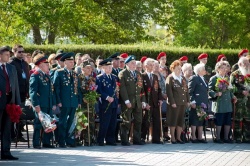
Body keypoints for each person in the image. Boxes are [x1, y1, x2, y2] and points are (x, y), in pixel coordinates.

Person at [53, 52, 82, 148]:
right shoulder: (59, 72)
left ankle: (69, 139)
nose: (72, 63)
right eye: (69, 62)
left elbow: (78, 89)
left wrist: (78, 101)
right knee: (62, 122)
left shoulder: (75, 74)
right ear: (64, 62)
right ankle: (61, 140)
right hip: (64, 102)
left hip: (73, 102)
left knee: (71, 122)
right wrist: (58, 101)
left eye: (72, 61)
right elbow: (56, 88)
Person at [29, 53, 56, 149]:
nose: (48, 65)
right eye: (46, 63)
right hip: (40, 104)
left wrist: (52, 103)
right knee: (38, 124)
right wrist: (36, 106)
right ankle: (36, 143)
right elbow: (33, 93)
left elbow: (50, 91)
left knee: (48, 123)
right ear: (40, 64)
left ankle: (46, 142)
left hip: (48, 103)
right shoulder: (35, 75)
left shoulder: (46, 75)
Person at [119, 55, 146, 146]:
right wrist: (126, 101)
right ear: (127, 64)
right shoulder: (123, 74)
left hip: (137, 101)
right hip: (128, 101)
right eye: (132, 63)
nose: (134, 65)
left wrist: (143, 101)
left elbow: (142, 89)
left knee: (138, 121)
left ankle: (137, 139)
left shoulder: (138, 74)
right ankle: (124, 140)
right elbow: (122, 88)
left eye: (135, 63)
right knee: (127, 121)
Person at [0, 46, 21, 160]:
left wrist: (17, 102)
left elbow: (16, 86)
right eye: (6, 55)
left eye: (9, 54)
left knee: (7, 129)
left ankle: (6, 152)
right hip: (0, 101)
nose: (9, 56)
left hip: (10, 101)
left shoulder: (11, 68)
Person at [209, 61, 236, 143]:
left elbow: (230, 90)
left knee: (228, 121)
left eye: (225, 68)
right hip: (219, 103)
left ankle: (226, 138)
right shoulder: (214, 78)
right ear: (218, 69)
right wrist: (216, 94)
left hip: (227, 103)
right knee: (219, 121)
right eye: (222, 68)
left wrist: (233, 96)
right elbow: (209, 90)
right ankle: (217, 138)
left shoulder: (227, 78)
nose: (225, 70)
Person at [166, 60, 190, 144]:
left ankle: (178, 137)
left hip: (182, 102)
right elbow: (169, 92)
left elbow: (186, 90)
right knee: (173, 120)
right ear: (173, 69)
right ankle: (172, 138)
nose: (179, 70)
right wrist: (172, 102)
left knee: (180, 121)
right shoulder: (170, 78)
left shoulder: (182, 78)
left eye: (180, 68)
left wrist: (187, 101)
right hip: (174, 103)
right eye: (177, 68)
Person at [9, 44, 30, 142]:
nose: (22, 54)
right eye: (19, 52)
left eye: (23, 51)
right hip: (15, 93)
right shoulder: (11, 63)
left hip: (23, 93)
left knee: (21, 114)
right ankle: (13, 135)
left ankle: (18, 133)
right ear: (14, 52)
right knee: (14, 114)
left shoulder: (25, 64)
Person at [96, 58, 119, 146]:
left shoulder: (114, 77)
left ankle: (110, 139)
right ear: (103, 68)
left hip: (114, 103)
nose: (110, 69)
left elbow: (117, 90)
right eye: (107, 67)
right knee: (105, 122)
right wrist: (107, 97)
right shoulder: (100, 78)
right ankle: (101, 139)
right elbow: (99, 91)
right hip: (105, 103)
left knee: (113, 122)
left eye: (110, 67)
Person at [141, 58, 163, 144]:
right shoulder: (142, 76)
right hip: (147, 102)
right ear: (145, 66)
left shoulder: (155, 76)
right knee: (145, 120)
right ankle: (142, 137)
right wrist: (144, 102)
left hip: (155, 102)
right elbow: (141, 90)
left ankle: (156, 138)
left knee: (157, 120)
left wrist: (160, 99)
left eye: (152, 65)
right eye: (150, 65)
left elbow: (159, 89)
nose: (152, 66)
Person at [230, 57, 250, 143]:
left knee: (248, 120)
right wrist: (241, 91)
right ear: (240, 64)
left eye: (248, 63)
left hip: (248, 101)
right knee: (238, 120)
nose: (247, 65)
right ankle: (237, 137)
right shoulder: (234, 74)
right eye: (245, 63)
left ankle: (247, 137)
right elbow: (231, 88)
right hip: (239, 101)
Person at [188, 63, 209, 143]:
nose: (205, 70)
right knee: (195, 120)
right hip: (196, 102)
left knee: (201, 120)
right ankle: (193, 137)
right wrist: (192, 101)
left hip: (203, 103)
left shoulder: (203, 78)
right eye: (203, 69)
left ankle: (200, 137)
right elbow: (190, 91)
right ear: (199, 70)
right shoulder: (194, 78)